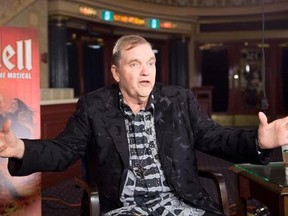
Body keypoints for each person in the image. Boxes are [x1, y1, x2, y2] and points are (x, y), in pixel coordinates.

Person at [0, 34, 287, 216]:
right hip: (125, 208)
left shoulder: (178, 99)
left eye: (150, 62)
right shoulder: (95, 106)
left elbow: (215, 138)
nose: (146, 70)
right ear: (116, 72)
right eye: (135, 64)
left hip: (182, 203)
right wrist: (19, 148)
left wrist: (259, 142)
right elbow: (63, 150)